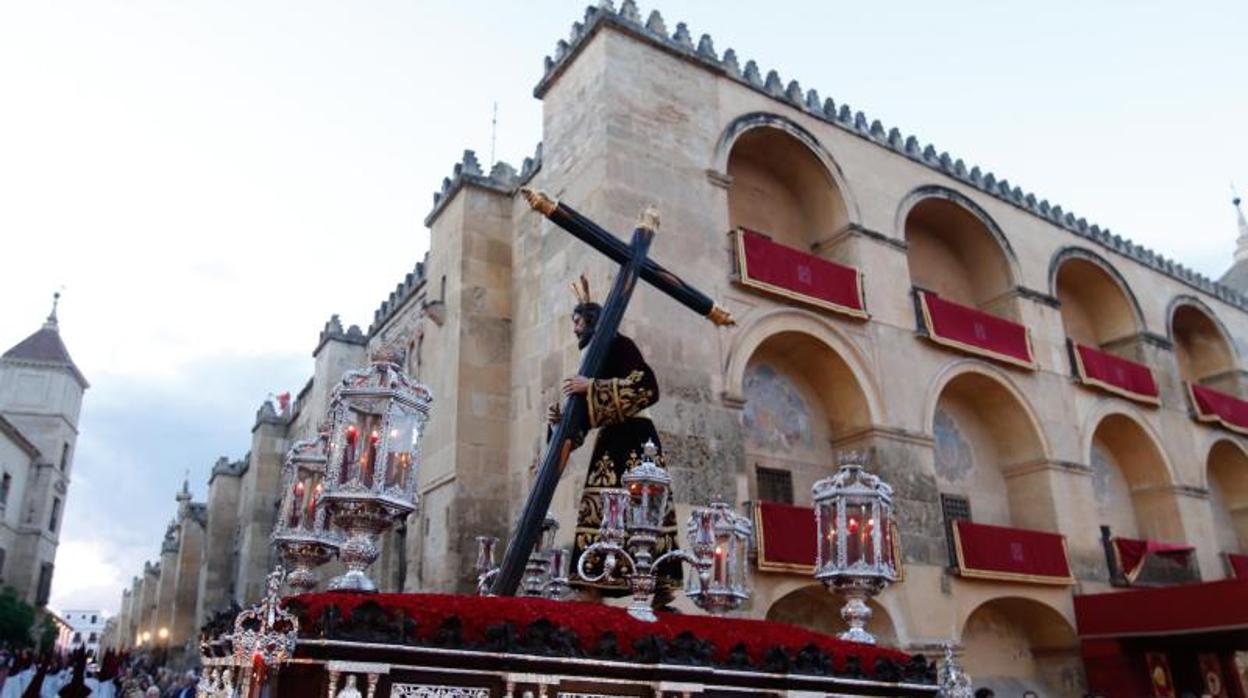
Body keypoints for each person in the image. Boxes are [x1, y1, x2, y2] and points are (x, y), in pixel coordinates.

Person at [549, 274, 682, 604]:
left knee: (644, 511)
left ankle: (658, 586)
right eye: (574, 322)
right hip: (609, 444)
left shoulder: (620, 345)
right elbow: (585, 418)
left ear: (594, 320)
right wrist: (562, 423)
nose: (576, 328)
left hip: (637, 442)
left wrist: (592, 388)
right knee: (600, 509)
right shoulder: (593, 357)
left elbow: (647, 386)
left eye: (579, 321)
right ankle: (594, 585)